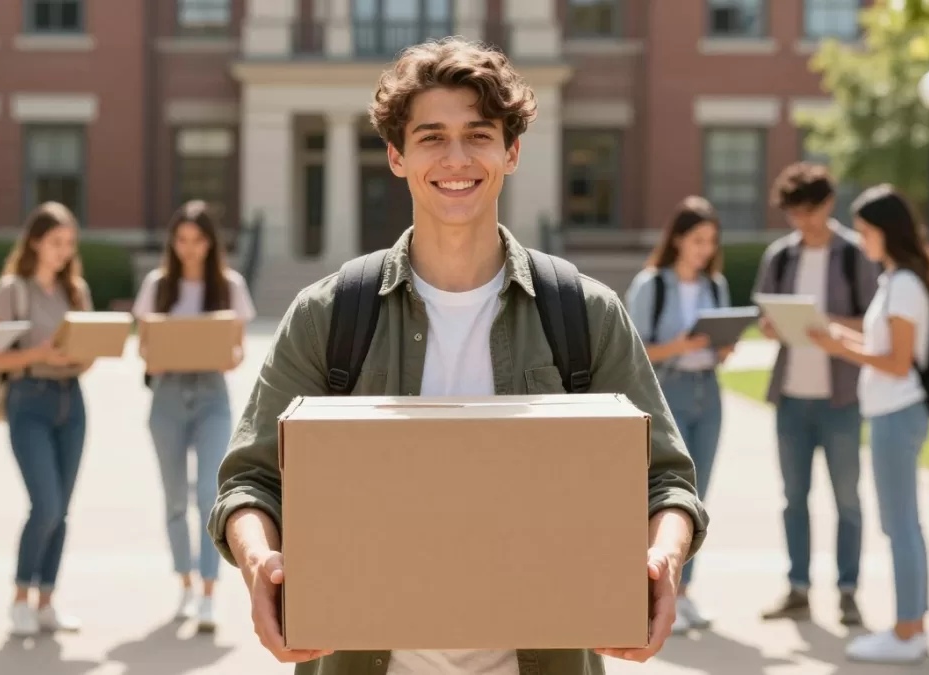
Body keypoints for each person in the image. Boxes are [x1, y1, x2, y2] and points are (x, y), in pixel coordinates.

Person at [207, 37, 708, 675]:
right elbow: (251, 482)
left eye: (478, 134)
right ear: (396, 155)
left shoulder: (584, 313)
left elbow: (664, 481)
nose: (456, 158)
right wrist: (261, 561)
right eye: (431, 137)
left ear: (511, 151)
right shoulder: (329, 314)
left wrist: (661, 554)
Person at [807, 184, 929, 663]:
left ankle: (907, 633)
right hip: (892, 415)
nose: (861, 240)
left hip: (897, 415)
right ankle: (913, 624)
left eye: (865, 231)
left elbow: (897, 361)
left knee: (899, 525)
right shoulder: (894, 280)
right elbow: (880, 337)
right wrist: (833, 332)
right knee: (904, 524)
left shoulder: (903, 283)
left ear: (886, 232)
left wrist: (839, 348)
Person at [751, 162, 879, 626]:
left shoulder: (854, 254)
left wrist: (824, 323)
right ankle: (798, 589)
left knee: (847, 498)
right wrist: (772, 325)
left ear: (828, 204)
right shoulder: (781, 256)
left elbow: (873, 322)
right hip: (791, 398)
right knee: (793, 498)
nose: (801, 222)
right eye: (793, 214)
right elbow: (765, 317)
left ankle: (848, 591)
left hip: (842, 399)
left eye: (808, 211)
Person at [131, 201, 257, 628]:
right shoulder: (157, 284)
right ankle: (183, 586)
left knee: (208, 493)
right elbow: (145, 350)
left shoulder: (229, 286)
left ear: (210, 242)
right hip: (166, 395)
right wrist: (160, 358)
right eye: (181, 240)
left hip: (211, 396)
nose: (189, 249)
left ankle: (208, 591)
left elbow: (237, 353)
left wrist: (217, 351)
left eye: (197, 240)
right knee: (172, 498)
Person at [0, 202, 95, 636]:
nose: (63, 252)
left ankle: (47, 602)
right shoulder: (11, 289)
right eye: (55, 243)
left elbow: (86, 358)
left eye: (69, 244)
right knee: (45, 504)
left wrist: (81, 356)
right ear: (34, 242)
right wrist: (41, 354)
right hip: (28, 399)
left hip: (72, 401)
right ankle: (19, 599)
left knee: (62, 509)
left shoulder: (76, 291)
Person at [624, 196, 732, 634]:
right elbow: (632, 351)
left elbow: (719, 339)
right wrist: (681, 346)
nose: (705, 249)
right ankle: (645, 589)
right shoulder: (653, 284)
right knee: (658, 492)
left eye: (711, 241)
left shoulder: (716, 285)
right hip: (666, 395)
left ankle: (683, 595)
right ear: (679, 239)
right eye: (698, 240)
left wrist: (723, 348)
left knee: (695, 497)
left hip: (709, 392)